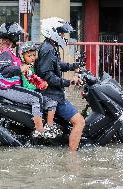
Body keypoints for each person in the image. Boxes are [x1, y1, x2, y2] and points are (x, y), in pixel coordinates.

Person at [0, 22, 54, 139]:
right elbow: (5, 71)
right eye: (17, 35)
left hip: (8, 87)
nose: (18, 38)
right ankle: (40, 131)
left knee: (38, 94)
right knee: (36, 98)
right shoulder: (5, 52)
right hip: (6, 88)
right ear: (12, 36)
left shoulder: (8, 51)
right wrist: (20, 68)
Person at [35, 17, 85, 151]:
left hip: (54, 93)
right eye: (61, 33)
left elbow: (56, 65)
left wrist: (73, 66)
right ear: (53, 32)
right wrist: (68, 82)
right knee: (79, 122)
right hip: (53, 94)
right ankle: (72, 156)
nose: (63, 36)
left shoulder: (50, 46)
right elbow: (48, 76)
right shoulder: (48, 49)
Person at [19, 41, 62, 138]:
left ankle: (49, 124)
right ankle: (43, 127)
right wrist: (40, 85)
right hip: (30, 92)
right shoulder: (26, 69)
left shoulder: (34, 66)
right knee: (46, 102)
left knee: (51, 100)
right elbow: (29, 83)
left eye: (34, 55)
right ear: (23, 57)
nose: (32, 58)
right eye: (29, 56)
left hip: (36, 91)